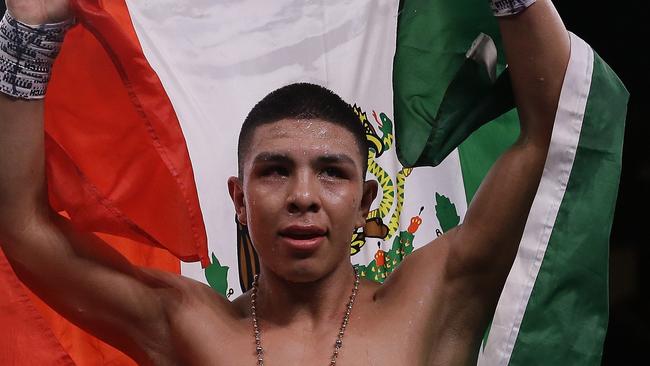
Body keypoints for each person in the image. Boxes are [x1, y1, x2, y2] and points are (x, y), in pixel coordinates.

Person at [0, 0, 570, 364]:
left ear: (367, 198)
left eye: (332, 172)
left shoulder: (433, 302)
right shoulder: (188, 326)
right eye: (275, 171)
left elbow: (547, 127)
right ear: (239, 200)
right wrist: (26, 35)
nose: (303, 196)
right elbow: (24, 228)